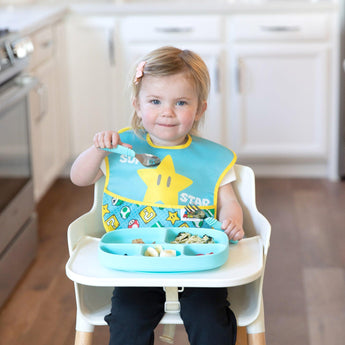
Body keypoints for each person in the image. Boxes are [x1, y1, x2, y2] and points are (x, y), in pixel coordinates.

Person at [70, 46, 244, 345]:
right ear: (137, 104)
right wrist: (98, 149)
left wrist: (230, 222)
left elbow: (229, 202)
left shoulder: (211, 159)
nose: (167, 112)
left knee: (210, 319)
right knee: (127, 319)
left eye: (180, 102)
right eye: (155, 101)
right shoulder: (122, 148)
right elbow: (79, 178)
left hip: (197, 256)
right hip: (136, 258)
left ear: (200, 108)